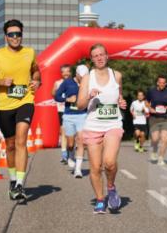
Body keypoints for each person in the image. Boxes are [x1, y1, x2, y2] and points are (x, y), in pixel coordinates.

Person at [0, 19, 41, 201]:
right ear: (6, 36)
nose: (15, 37)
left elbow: (36, 71)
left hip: (25, 101)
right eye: (12, 34)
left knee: (21, 140)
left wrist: (37, 80)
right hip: (5, 104)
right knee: (11, 144)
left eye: (18, 34)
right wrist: (0, 82)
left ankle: (21, 184)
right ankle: (13, 181)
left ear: (22, 35)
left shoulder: (29, 52)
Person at [75, 44, 127, 214]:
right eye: (95, 56)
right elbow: (80, 105)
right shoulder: (87, 79)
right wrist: (89, 96)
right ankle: (99, 199)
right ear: (92, 59)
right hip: (93, 126)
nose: (99, 58)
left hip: (113, 124)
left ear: (107, 56)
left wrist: (121, 102)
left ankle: (111, 188)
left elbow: (119, 96)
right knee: (96, 167)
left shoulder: (116, 75)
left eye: (101, 54)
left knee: (109, 162)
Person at [54, 63, 88, 177]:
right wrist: (67, 99)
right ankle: (70, 155)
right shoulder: (67, 82)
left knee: (81, 141)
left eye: (85, 76)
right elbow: (56, 96)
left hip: (83, 115)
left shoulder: (88, 82)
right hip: (69, 115)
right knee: (70, 143)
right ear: (77, 74)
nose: (83, 78)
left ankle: (78, 170)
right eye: (81, 76)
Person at [146, 75, 167, 165]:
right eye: (160, 82)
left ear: (166, 83)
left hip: (165, 118)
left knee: (165, 139)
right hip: (154, 118)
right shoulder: (151, 91)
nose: (162, 84)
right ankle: (154, 151)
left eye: (164, 83)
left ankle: (161, 158)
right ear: (157, 83)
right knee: (155, 139)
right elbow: (146, 102)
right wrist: (150, 108)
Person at [53, 65, 71, 164]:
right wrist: (57, 93)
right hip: (61, 110)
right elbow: (53, 93)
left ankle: (71, 153)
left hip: (73, 110)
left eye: (68, 71)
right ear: (61, 73)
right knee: (64, 132)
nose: (66, 74)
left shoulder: (74, 82)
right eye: (64, 72)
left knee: (72, 133)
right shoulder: (57, 83)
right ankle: (64, 155)